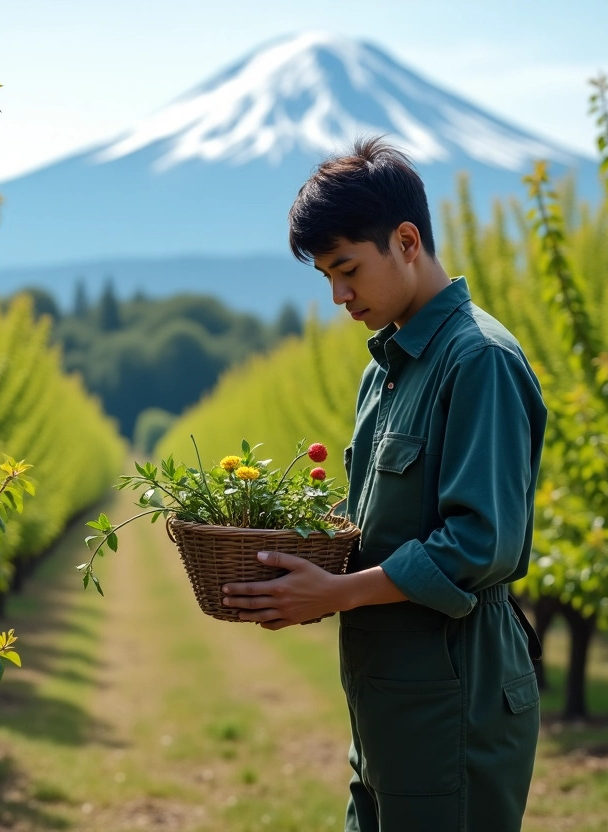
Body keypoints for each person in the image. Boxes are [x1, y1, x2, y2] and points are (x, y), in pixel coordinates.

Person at [220, 137, 547, 832]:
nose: (339, 296)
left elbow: (477, 543)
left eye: (348, 270)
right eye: (325, 278)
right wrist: (302, 568)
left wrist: (336, 592)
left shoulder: (477, 360)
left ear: (406, 241)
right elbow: (378, 522)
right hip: (386, 699)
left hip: (453, 695)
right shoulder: (386, 370)